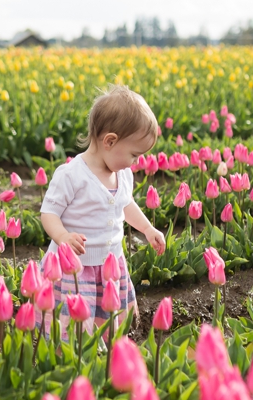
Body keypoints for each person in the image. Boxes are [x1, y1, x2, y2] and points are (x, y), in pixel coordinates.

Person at [41, 84, 168, 334]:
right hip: (74, 268)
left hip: (110, 265)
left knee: (109, 319)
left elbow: (126, 205)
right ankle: (72, 359)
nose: (137, 161)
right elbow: (49, 213)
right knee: (73, 325)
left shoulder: (123, 175)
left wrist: (147, 228)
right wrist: (63, 237)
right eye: (134, 154)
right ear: (110, 141)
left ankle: (105, 354)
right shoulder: (72, 175)